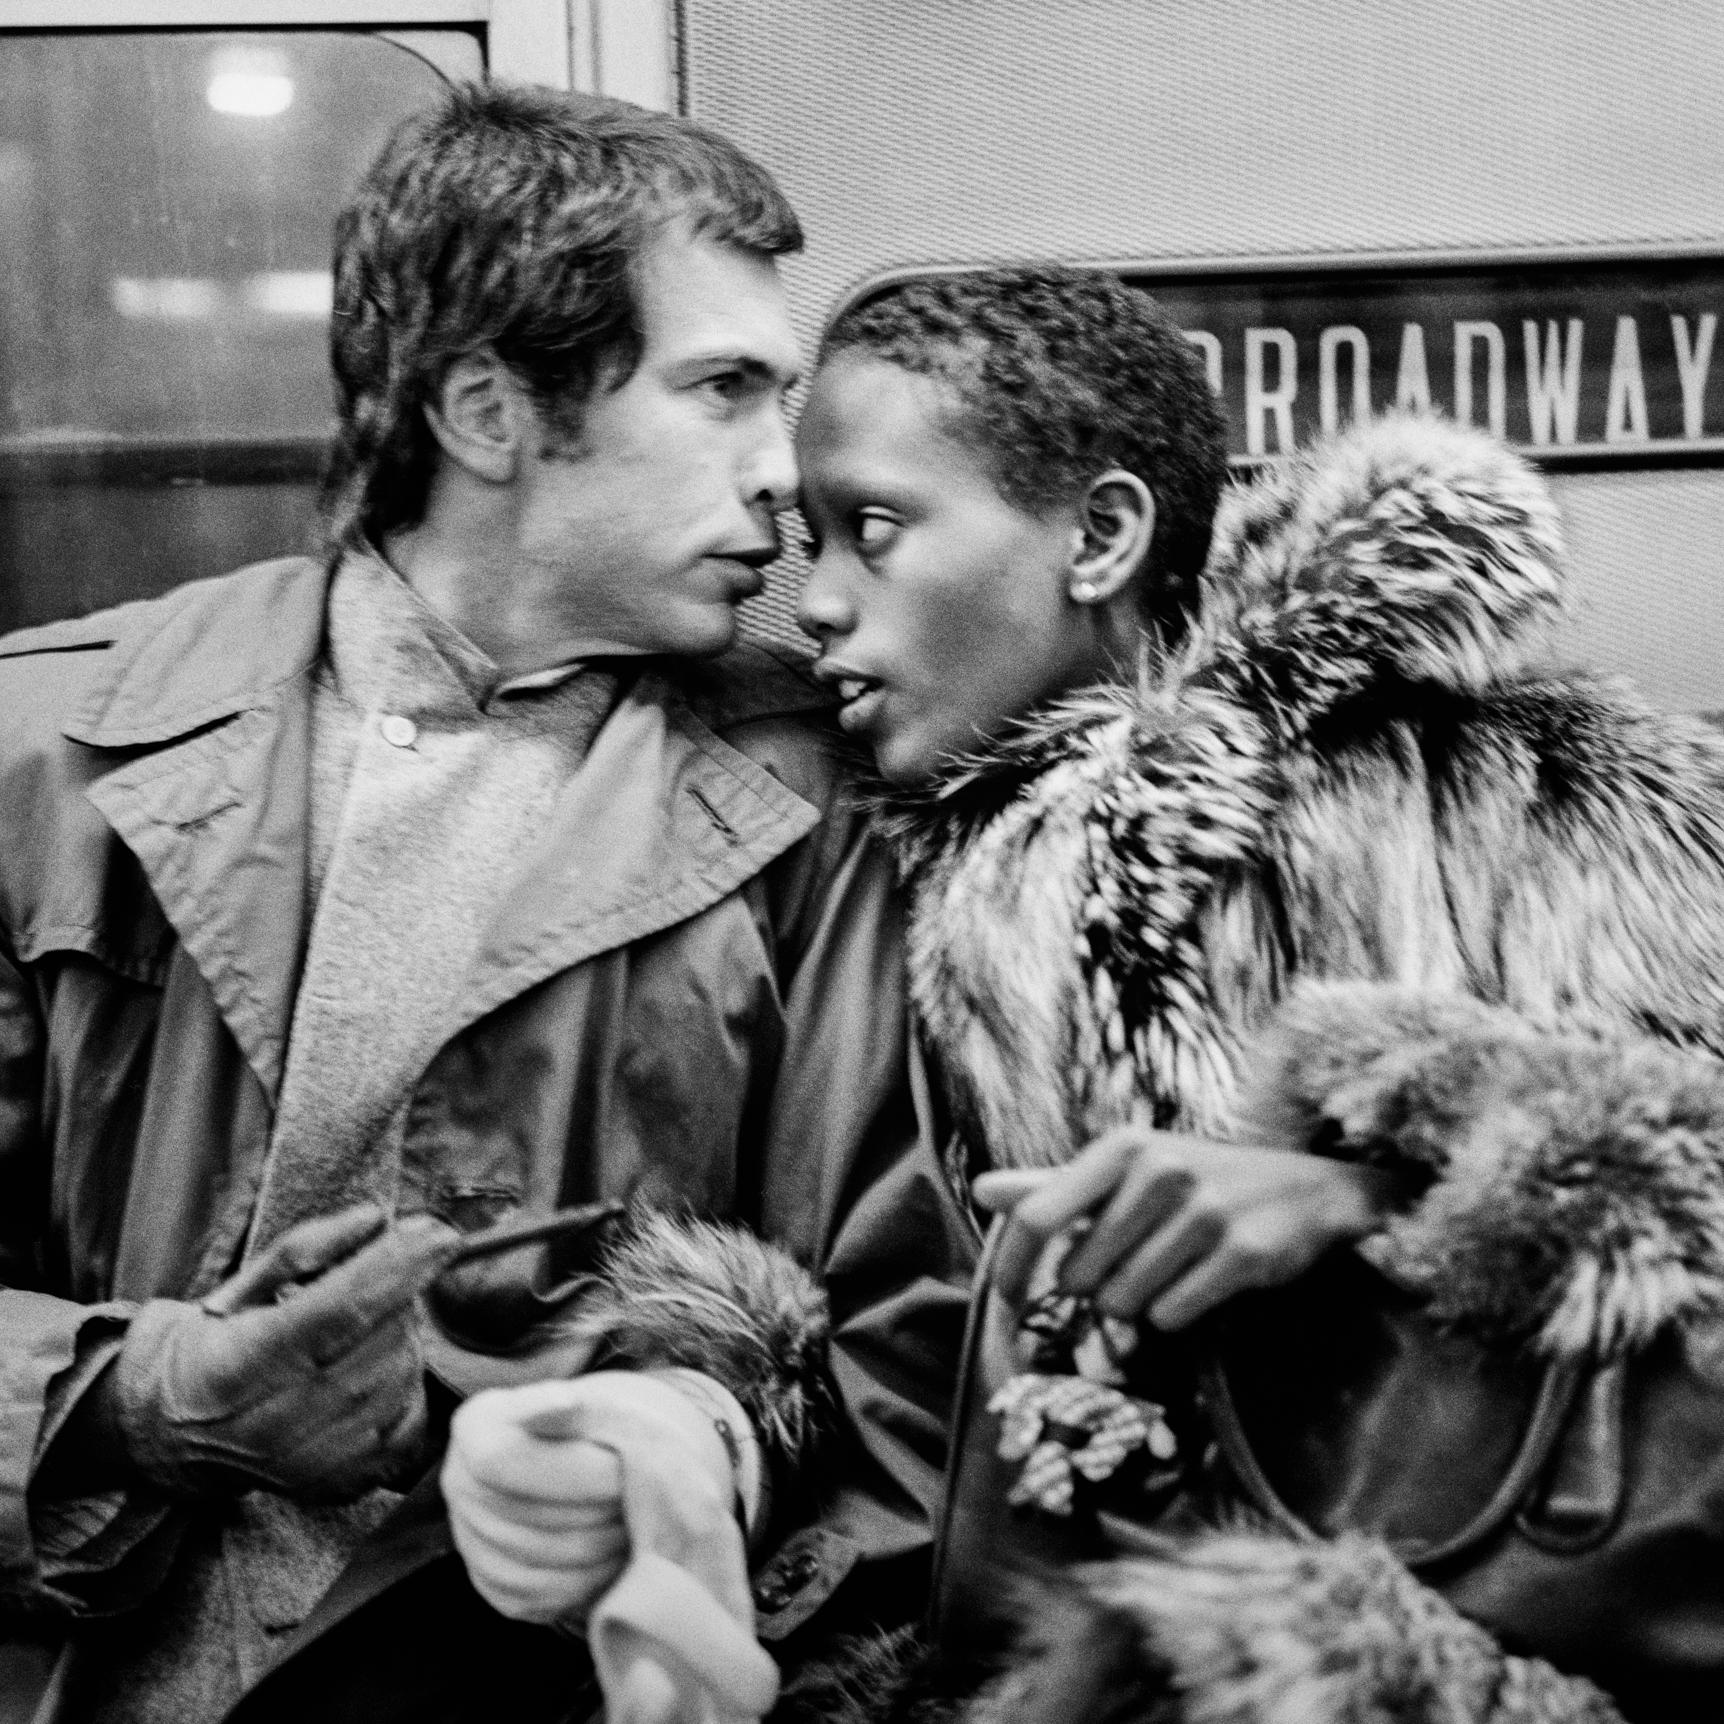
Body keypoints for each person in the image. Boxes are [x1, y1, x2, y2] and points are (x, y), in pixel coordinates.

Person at [0, 83, 972, 1724]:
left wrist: (691, 1457)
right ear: (489, 411)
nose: (784, 482)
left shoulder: (827, 803)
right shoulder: (52, 760)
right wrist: (153, 1402)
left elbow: (920, 1345)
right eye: (722, 390)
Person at [791, 266, 1724, 1721]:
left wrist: (1365, 1203)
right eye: (809, 538)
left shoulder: (1522, 800)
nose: (818, 602)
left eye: (877, 530)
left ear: (1098, 535)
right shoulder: (860, 885)